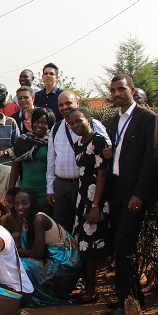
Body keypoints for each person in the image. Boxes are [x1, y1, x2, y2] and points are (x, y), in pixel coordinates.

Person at [101, 75, 158, 315]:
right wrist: (111, 152)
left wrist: (139, 194)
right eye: (113, 90)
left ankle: (127, 303)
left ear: (132, 90)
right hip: (116, 189)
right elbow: (121, 153)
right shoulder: (115, 120)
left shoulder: (148, 118)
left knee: (124, 247)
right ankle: (131, 296)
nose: (116, 94)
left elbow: (151, 158)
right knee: (119, 245)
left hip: (133, 193)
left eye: (121, 89)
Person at [65, 108, 112, 306]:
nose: (76, 126)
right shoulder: (78, 143)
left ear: (89, 120)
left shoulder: (98, 141)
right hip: (82, 197)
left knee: (90, 244)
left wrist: (96, 205)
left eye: (79, 121)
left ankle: (92, 290)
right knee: (83, 243)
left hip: (95, 198)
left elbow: (102, 175)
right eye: (72, 124)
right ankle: (87, 287)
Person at [46, 91, 109, 234]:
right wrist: (50, 188)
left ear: (77, 103)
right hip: (61, 186)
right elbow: (51, 160)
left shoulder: (93, 124)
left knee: (82, 225)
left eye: (68, 103)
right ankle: (65, 256)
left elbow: (107, 150)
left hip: (83, 186)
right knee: (61, 227)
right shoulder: (56, 128)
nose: (64, 107)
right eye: (61, 105)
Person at [15, 189, 81, 307]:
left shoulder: (39, 219)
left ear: (33, 203)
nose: (20, 207)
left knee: (22, 265)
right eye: (17, 204)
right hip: (52, 258)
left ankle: (37, 296)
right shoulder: (26, 219)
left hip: (64, 263)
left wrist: (18, 251)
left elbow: (38, 253)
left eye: (24, 203)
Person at [9, 108, 56, 216]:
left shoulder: (53, 142)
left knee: (45, 221)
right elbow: (15, 168)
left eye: (44, 123)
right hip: (26, 190)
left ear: (50, 124)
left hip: (47, 192)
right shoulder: (23, 140)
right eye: (37, 122)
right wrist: (11, 190)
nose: (39, 125)